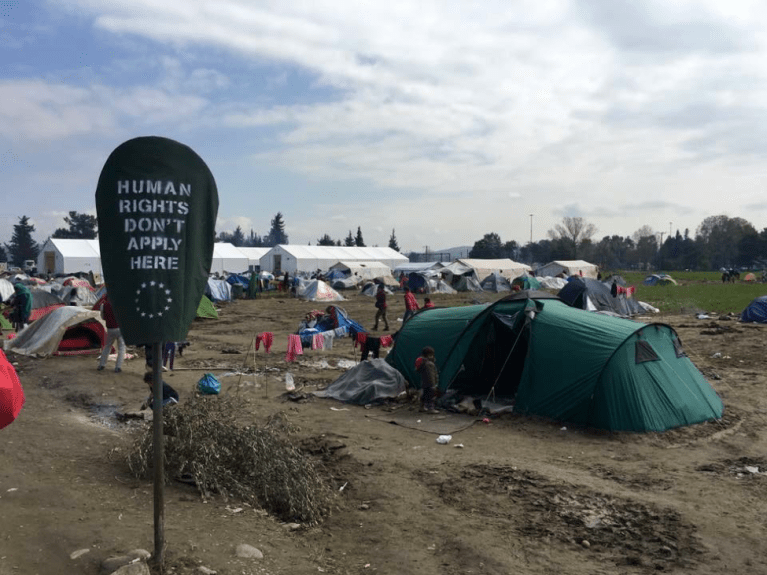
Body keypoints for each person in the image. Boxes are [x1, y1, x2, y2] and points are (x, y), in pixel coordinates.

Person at [97, 294, 125, 373]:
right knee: (121, 348)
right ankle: (118, 367)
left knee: (107, 346)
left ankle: (102, 365)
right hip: (120, 328)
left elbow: (103, 317)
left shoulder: (104, 305)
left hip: (110, 329)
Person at [415, 346, 439, 413]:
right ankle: (430, 409)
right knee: (430, 397)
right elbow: (431, 375)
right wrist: (433, 385)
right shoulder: (429, 364)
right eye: (431, 355)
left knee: (424, 395)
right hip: (430, 384)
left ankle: (421, 407)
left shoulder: (423, 363)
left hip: (424, 383)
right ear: (429, 355)